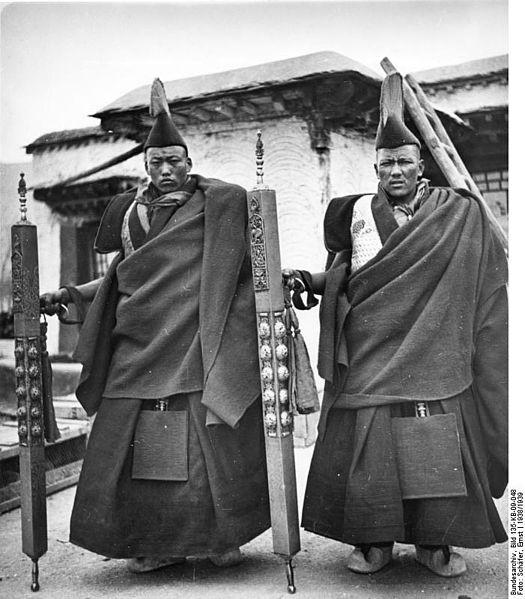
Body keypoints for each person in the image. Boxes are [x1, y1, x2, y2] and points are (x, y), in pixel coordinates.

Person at [283, 73, 507, 578]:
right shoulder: (359, 212)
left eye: (405, 162)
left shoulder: (453, 212)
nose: (395, 171)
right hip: (370, 349)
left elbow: (480, 275)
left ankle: (436, 542)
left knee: (431, 435)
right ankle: (373, 540)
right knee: (372, 445)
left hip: (432, 349)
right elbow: (345, 276)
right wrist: (306, 279)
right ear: (377, 168)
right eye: (386, 165)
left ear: (421, 164)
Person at [41, 80, 270, 573]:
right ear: (145, 166)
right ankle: (147, 542)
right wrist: (71, 296)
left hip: (193, 342)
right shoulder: (129, 212)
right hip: (138, 346)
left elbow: (244, 268)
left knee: (205, 447)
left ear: (189, 161)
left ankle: (218, 539)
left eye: (174, 161)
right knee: (128, 446)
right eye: (156, 163)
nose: (166, 171)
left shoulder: (217, 206)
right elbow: (118, 277)